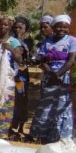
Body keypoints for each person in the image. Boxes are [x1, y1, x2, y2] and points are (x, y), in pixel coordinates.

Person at [29, 15, 76, 143]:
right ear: (53, 27)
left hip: (64, 77)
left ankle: (59, 137)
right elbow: (42, 60)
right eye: (59, 26)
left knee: (62, 106)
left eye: (64, 27)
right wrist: (51, 73)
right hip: (49, 76)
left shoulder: (72, 41)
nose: (61, 29)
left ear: (68, 28)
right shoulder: (46, 42)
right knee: (45, 105)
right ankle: (40, 135)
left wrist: (58, 74)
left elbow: (71, 60)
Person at [10, 16, 33, 139]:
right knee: (14, 100)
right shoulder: (11, 41)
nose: (18, 30)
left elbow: (28, 59)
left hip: (23, 76)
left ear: (26, 29)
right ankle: (11, 126)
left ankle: (21, 126)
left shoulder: (28, 42)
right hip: (13, 75)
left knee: (22, 99)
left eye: (20, 27)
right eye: (16, 27)